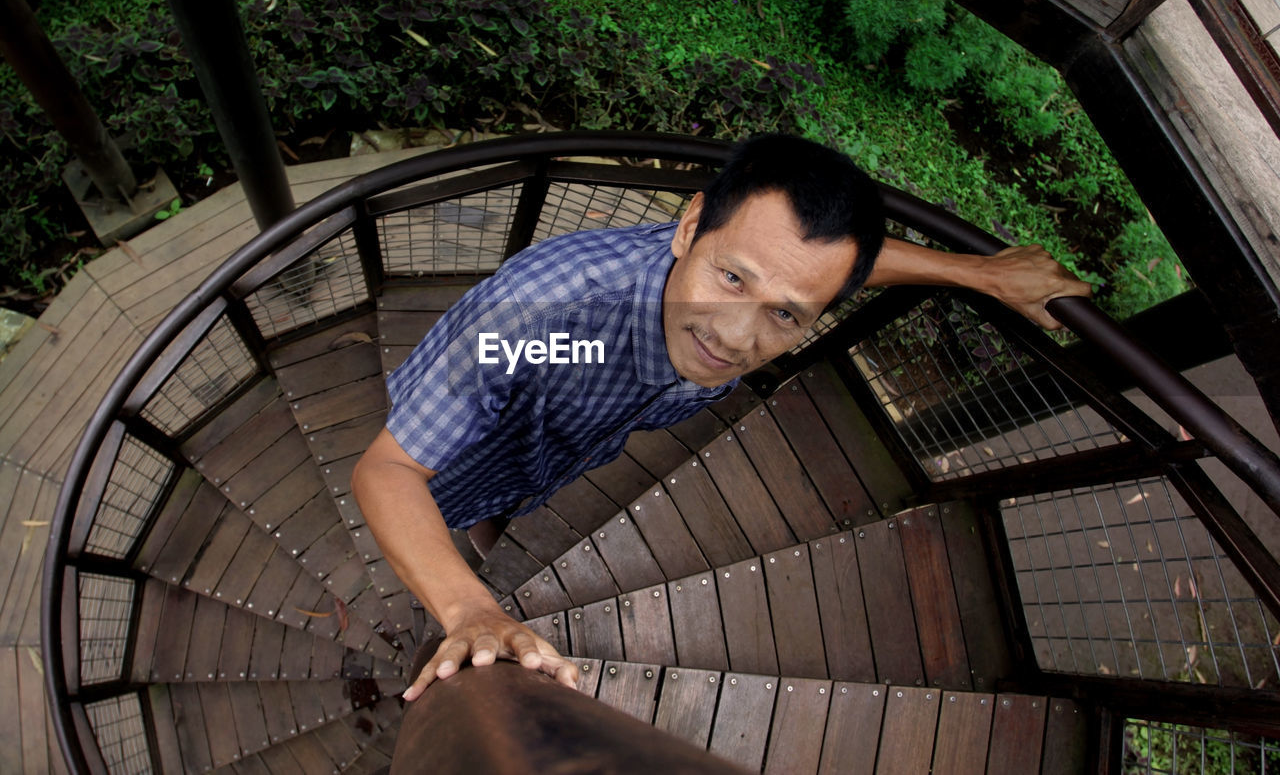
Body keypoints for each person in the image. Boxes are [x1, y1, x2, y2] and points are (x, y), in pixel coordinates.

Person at [351, 133, 1091, 701]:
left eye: (784, 314)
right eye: (729, 277)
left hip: (563, 445)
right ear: (690, 225)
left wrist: (976, 272)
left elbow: (823, 266)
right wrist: (472, 611)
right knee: (448, 490)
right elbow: (389, 468)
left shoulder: (770, 278)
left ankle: (497, 515)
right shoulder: (553, 314)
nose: (734, 336)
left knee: (515, 492)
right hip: (473, 452)